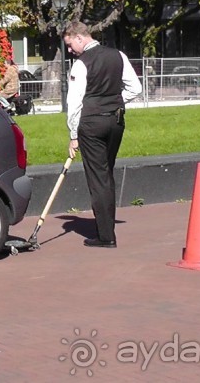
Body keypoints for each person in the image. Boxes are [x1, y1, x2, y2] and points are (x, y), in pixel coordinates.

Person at [63, 21, 143, 248]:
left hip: (91, 124)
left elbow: (74, 102)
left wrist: (73, 135)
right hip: (116, 121)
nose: (69, 50)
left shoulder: (81, 64)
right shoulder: (118, 55)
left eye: (70, 45)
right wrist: (115, 101)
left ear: (79, 37)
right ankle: (107, 229)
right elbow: (135, 88)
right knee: (106, 173)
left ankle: (106, 236)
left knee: (98, 178)